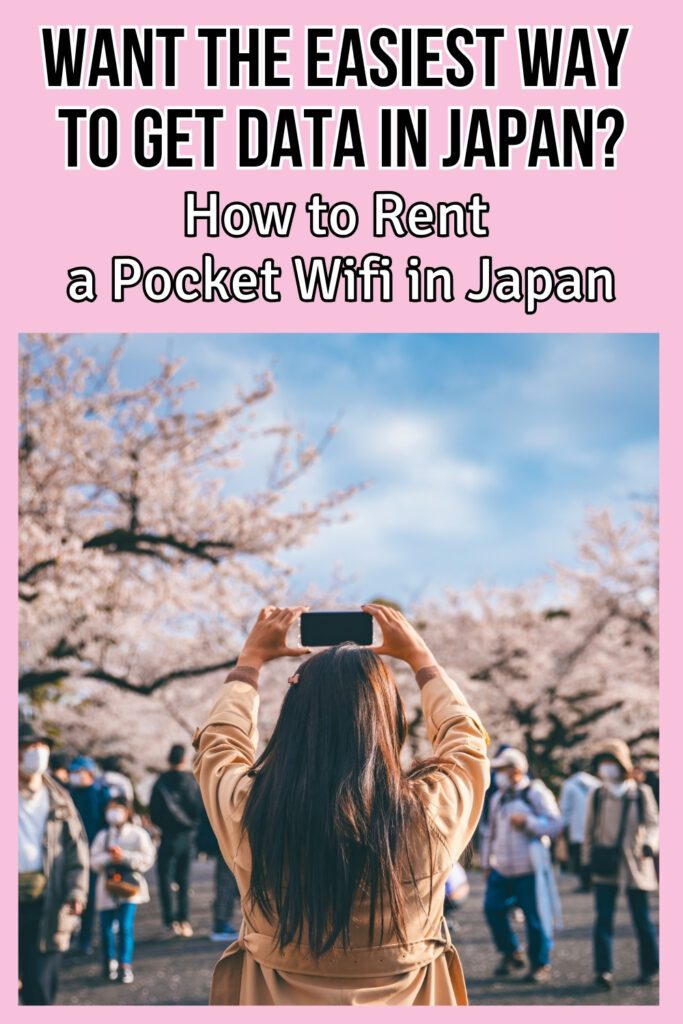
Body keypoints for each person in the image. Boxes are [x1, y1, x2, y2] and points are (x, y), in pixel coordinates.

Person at [193, 604, 489, 1006]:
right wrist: (423, 662)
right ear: (389, 717)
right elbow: (467, 745)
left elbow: (219, 747)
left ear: (294, 719)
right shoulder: (430, 813)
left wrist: (249, 665)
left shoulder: (251, 810)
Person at [19, 721, 89, 1004]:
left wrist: (76, 892)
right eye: (26, 748)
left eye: (40, 747)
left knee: (41, 985)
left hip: (49, 901)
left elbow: (76, 849)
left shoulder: (59, 799)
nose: (35, 753)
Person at [582, 739, 659, 990]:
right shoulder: (597, 794)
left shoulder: (641, 792)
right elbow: (589, 830)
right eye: (602, 763)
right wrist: (586, 860)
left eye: (610, 763)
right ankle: (603, 970)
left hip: (636, 862)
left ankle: (651, 967)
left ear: (621, 764)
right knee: (603, 919)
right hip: (606, 863)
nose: (606, 768)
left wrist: (649, 844)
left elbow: (653, 823)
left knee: (642, 919)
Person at [481, 747, 563, 983]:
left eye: (502, 770)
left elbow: (556, 825)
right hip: (502, 867)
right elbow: (489, 833)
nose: (498, 775)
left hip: (530, 869)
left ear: (516, 771)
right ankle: (511, 951)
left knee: (535, 918)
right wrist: (487, 863)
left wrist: (528, 822)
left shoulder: (535, 792)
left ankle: (540, 963)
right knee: (492, 909)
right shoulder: (498, 798)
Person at [90, 794, 156, 984]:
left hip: (129, 886)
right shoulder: (103, 836)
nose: (113, 813)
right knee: (105, 928)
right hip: (106, 886)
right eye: (110, 809)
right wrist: (109, 858)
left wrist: (124, 857)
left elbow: (147, 859)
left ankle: (124, 964)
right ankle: (109, 960)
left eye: (117, 809)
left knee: (126, 927)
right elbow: (93, 861)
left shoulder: (138, 834)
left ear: (127, 812)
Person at [150, 742, 202, 937]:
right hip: (188, 836)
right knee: (185, 879)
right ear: (184, 759)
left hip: (168, 836)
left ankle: (169, 922)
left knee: (165, 880)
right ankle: (184, 920)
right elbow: (199, 808)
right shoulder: (191, 781)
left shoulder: (160, 782)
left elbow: (154, 812)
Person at [68, 754, 110, 954]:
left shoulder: (101, 793)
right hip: (71, 852)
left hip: (94, 853)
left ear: (90, 773)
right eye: (72, 772)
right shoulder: (68, 794)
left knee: (91, 898)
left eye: (78, 772)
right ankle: (70, 935)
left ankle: (85, 938)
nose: (74, 776)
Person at [197, 805, 241, 943]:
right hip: (229, 840)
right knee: (227, 883)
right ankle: (221, 924)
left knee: (227, 883)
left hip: (226, 839)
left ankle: (222, 922)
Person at [559, 759, 599, 891]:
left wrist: (563, 826)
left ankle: (584, 883)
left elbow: (565, 808)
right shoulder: (595, 783)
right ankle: (594, 880)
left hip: (575, 826)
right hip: (594, 825)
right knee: (591, 854)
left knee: (578, 856)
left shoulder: (569, 785)